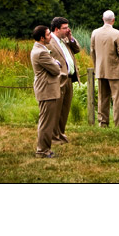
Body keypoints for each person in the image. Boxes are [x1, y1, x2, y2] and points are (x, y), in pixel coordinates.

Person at [89, 10, 119, 127]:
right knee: (118, 98)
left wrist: (97, 65)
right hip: (115, 69)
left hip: (100, 69)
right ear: (113, 20)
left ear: (103, 19)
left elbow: (92, 51)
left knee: (102, 97)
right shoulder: (117, 34)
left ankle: (103, 122)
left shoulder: (95, 33)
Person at [30, 25, 62, 158]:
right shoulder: (41, 52)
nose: (51, 36)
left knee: (48, 121)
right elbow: (56, 69)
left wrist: (55, 62)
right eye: (48, 34)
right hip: (46, 90)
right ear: (42, 38)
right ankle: (42, 151)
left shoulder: (41, 49)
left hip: (47, 89)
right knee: (46, 122)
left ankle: (46, 149)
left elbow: (54, 63)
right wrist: (56, 63)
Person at [49, 16, 81, 144]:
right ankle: (53, 136)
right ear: (57, 29)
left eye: (68, 27)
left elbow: (77, 49)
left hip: (69, 79)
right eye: (65, 28)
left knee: (64, 110)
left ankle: (61, 133)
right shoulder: (49, 41)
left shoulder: (65, 39)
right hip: (58, 80)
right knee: (56, 110)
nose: (68, 30)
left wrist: (71, 37)